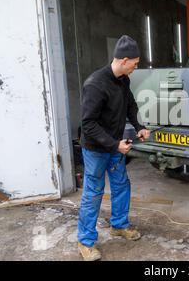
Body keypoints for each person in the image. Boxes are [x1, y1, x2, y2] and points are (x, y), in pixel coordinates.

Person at [77, 35, 150, 261]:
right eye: (135, 63)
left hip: (114, 147)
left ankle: (119, 225)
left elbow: (130, 104)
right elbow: (88, 124)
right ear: (124, 60)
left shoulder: (123, 80)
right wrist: (114, 144)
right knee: (93, 192)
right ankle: (85, 242)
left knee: (121, 185)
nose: (136, 67)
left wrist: (139, 126)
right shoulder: (95, 84)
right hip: (96, 149)